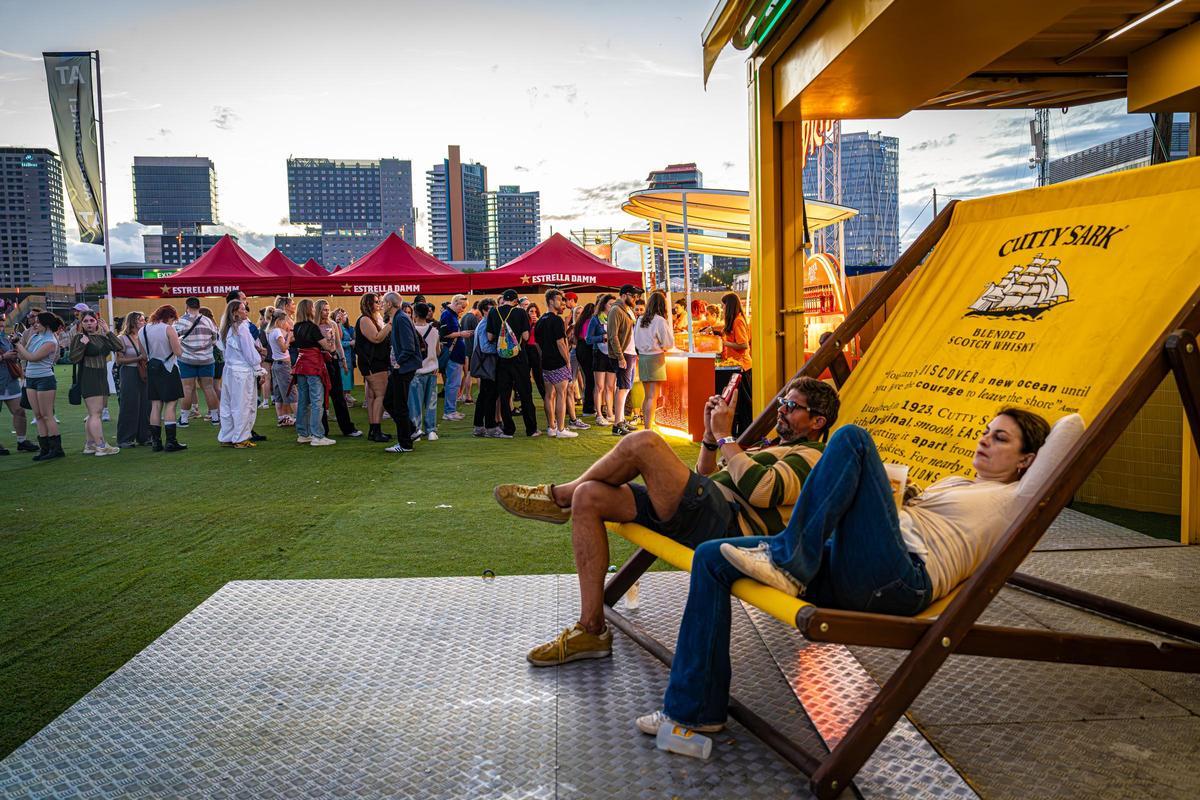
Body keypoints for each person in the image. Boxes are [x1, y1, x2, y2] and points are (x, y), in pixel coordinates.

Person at [643, 408, 1078, 738]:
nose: (984, 440)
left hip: (900, 579)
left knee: (851, 438)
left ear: (1028, 461)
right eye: (986, 431)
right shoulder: (957, 484)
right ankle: (696, 710)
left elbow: (1073, 428)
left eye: (1000, 438)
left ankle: (786, 559)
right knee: (711, 556)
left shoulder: (1020, 499)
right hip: (856, 563)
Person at [494, 376, 840, 666]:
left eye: (792, 407)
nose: (782, 409)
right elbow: (704, 475)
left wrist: (726, 437)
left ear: (817, 422)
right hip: (704, 513)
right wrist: (709, 437)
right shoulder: (773, 446)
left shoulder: (814, 455)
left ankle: (557, 498)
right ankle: (591, 629)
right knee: (590, 498)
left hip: (730, 531)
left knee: (645, 442)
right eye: (783, 401)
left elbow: (764, 490)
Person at [69, 311, 123, 456]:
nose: (89, 323)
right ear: (81, 323)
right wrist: (82, 344)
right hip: (89, 376)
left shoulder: (100, 337)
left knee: (93, 414)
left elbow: (119, 347)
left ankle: (90, 445)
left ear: (97, 322)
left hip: (101, 376)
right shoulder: (80, 337)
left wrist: (108, 331)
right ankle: (101, 446)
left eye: (92, 320)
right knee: (95, 414)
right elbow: (73, 358)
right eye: (85, 321)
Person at [488, 288, 540, 438]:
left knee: (504, 395)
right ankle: (531, 429)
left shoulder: (493, 312)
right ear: (516, 301)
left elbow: (490, 336)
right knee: (525, 393)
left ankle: (508, 429)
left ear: (503, 299)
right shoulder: (520, 313)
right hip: (519, 358)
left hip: (501, 358)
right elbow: (525, 335)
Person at [16, 311, 67, 460]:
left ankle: (56, 449)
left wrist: (18, 345)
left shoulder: (51, 341)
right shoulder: (34, 336)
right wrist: (20, 348)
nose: (34, 324)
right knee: (37, 415)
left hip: (45, 379)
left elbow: (32, 357)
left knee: (47, 415)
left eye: (38, 322)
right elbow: (22, 356)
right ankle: (45, 448)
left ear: (46, 324)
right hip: (31, 379)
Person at [535, 290, 581, 439]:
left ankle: (552, 427)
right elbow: (561, 343)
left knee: (549, 395)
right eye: (559, 300)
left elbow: (538, 343)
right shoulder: (556, 320)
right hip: (558, 362)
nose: (562, 303)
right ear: (550, 301)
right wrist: (567, 361)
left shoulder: (541, 320)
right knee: (561, 394)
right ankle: (561, 429)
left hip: (546, 363)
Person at [142, 304, 187, 452]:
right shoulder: (168, 328)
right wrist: (178, 342)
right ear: (170, 317)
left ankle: (156, 442)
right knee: (171, 404)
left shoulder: (144, 329)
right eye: (173, 319)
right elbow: (178, 352)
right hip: (168, 368)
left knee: (155, 405)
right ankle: (171, 442)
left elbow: (143, 354)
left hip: (152, 369)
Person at [291, 298, 336, 447]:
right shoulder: (312, 327)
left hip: (301, 364)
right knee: (317, 401)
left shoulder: (296, 326)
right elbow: (328, 348)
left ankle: (303, 433)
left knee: (303, 399)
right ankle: (317, 435)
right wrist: (330, 339)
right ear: (309, 309)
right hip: (313, 365)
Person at [216, 299, 260, 448]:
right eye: (242, 309)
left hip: (229, 370)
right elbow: (248, 351)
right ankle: (241, 438)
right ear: (235, 312)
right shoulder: (241, 328)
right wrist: (258, 366)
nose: (245, 311)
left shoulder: (225, 328)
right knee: (243, 404)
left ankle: (227, 436)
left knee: (228, 404)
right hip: (241, 371)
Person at [174, 297, 221, 427]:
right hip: (206, 359)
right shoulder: (208, 321)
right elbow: (214, 339)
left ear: (186, 306)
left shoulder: (180, 321)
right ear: (199, 306)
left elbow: (174, 339)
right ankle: (215, 418)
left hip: (186, 359)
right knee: (209, 388)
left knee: (187, 389)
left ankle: (184, 419)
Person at [383, 291, 420, 453]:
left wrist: (399, 362)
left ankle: (405, 443)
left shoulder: (401, 319)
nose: (382, 305)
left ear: (390, 304)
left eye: (383, 302)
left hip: (403, 368)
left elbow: (409, 346)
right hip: (402, 367)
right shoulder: (399, 318)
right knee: (390, 401)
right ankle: (411, 431)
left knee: (399, 405)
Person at [634, 291, 673, 432]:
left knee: (648, 396)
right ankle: (648, 428)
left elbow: (636, 340)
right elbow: (668, 343)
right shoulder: (659, 320)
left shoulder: (640, 320)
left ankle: (647, 425)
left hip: (643, 358)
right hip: (655, 359)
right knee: (652, 396)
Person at [356, 293, 393, 442]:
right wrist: (389, 325)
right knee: (380, 396)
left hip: (374, 362)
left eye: (380, 302)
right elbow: (376, 338)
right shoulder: (365, 319)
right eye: (376, 302)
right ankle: (376, 430)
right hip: (373, 362)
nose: (379, 304)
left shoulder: (372, 318)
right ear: (368, 304)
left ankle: (374, 430)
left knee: (372, 397)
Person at [0, 305, 37, 454]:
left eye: (2, 325)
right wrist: (3, 357)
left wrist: (15, 351)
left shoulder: (5, 338)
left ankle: (22, 441)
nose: (1, 327)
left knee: (20, 410)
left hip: (10, 379)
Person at [607, 284, 642, 436]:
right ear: (624, 295)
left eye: (636, 296)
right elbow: (612, 335)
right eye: (633, 296)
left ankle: (620, 420)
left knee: (625, 388)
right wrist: (620, 356)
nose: (635, 299)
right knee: (622, 388)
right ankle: (617, 424)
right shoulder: (616, 310)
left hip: (630, 353)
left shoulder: (626, 310)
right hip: (624, 354)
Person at [114, 311, 152, 448]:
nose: (144, 322)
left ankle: (145, 436)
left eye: (143, 319)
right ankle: (125, 438)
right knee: (130, 404)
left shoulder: (145, 337)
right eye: (141, 320)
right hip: (129, 372)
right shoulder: (122, 338)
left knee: (146, 404)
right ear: (133, 322)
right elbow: (119, 360)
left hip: (144, 371)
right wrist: (138, 358)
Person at [717, 292, 753, 436]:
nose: (722, 308)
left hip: (743, 366)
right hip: (737, 365)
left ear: (729, 306)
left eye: (724, 306)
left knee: (744, 404)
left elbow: (743, 344)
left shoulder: (738, 321)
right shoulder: (735, 320)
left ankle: (746, 434)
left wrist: (724, 343)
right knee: (740, 403)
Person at [409, 302, 441, 441]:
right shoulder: (434, 331)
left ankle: (416, 430)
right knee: (431, 402)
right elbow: (438, 351)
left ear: (414, 314)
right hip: (432, 370)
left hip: (415, 372)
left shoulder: (410, 331)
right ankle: (431, 431)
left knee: (414, 404)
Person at [470, 298, 501, 437]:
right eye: (490, 308)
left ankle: (479, 426)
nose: (493, 311)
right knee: (489, 395)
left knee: (484, 395)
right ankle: (490, 427)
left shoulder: (485, 323)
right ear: (483, 310)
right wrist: (500, 348)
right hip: (487, 364)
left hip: (486, 364)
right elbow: (485, 347)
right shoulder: (485, 324)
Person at [439, 294, 470, 422]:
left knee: (454, 384)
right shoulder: (447, 315)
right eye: (462, 307)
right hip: (453, 355)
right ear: (456, 303)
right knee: (453, 384)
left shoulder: (451, 314)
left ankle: (451, 410)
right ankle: (449, 411)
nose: (463, 310)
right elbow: (444, 335)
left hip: (456, 354)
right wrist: (461, 333)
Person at [586, 294, 616, 425]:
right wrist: (602, 337)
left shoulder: (615, 318)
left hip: (612, 353)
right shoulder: (595, 319)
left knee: (611, 386)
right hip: (599, 353)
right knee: (599, 386)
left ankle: (610, 412)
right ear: (604, 305)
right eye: (610, 304)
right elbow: (588, 339)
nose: (613, 307)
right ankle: (599, 414)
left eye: (614, 305)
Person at [267, 310, 297, 426]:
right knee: (292, 392)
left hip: (276, 364)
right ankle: (299, 419)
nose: (286, 323)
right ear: (279, 320)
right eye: (285, 320)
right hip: (283, 365)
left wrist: (289, 334)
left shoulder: (271, 331)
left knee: (279, 393)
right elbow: (284, 348)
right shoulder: (278, 332)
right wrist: (289, 337)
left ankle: (282, 418)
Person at [574, 301, 597, 418]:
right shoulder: (589, 322)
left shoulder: (580, 322)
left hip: (580, 349)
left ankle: (588, 406)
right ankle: (588, 408)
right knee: (590, 380)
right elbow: (589, 338)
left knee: (588, 379)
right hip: (587, 349)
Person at [335, 307, 356, 407]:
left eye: (345, 314)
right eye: (342, 315)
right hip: (342, 357)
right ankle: (345, 399)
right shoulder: (338, 327)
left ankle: (347, 396)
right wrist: (350, 342)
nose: (345, 317)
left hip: (348, 356)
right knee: (344, 378)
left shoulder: (346, 328)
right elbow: (338, 343)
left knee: (348, 377)